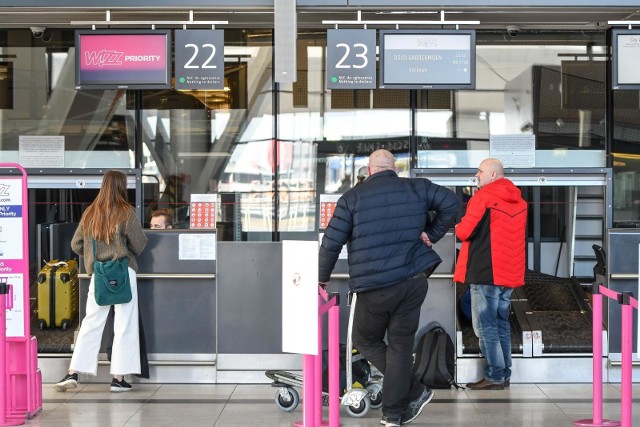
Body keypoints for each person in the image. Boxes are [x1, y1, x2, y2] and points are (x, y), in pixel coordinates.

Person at [318, 149, 459, 426]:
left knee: (365, 340)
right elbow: (452, 203)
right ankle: (393, 414)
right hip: (412, 281)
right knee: (400, 347)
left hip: (375, 286)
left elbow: (332, 243)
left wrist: (321, 277)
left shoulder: (352, 198)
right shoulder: (416, 187)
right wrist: (432, 234)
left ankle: (416, 391)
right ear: (394, 168)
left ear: (369, 170)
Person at [54, 170, 148, 393]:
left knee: (91, 323)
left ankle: (73, 372)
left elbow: (76, 244)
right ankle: (118, 378)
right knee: (124, 325)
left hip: (99, 274)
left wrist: (91, 257)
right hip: (123, 273)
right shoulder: (127, 212)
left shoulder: (90, 213)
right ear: (121, 186)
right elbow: (139, 244)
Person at [453, 158, 527, 390]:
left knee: (485, 326)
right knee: (501, 324)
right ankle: (504, 374)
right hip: (509, 274)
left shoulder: (483, 198)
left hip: (486, 272)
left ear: (493, 175)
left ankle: (495, 375)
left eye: (480, 171)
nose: (477, 175)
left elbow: (464, 232)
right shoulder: (519, 201)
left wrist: (454, 225)